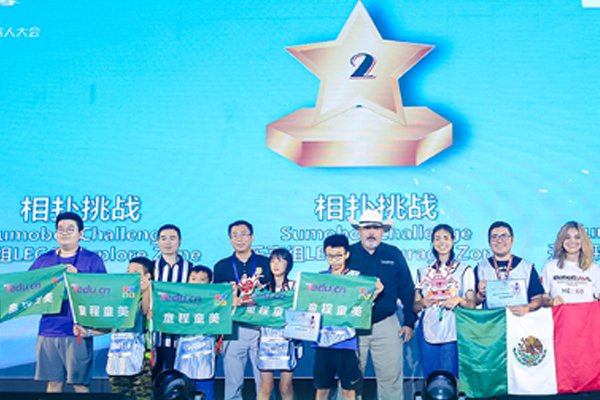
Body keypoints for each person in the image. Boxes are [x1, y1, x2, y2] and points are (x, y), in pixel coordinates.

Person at [28, 212, 107, 393]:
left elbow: (102, 293)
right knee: (53, 384)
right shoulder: (44, 260)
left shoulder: (92, 260)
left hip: (77, 330)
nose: (64, 233)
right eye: (60, 229)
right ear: (56, 233)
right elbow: (29, 288)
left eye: (70, 229)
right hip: (49, 330)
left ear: (81, 234)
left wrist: (78, 278)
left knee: (80, 384)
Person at [346, 209, 416, 400]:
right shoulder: (348, 254)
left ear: (383, 231)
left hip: (386, 324)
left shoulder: (393, 254)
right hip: (353, 326)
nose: (372, 232)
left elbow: (407, 290)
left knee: (391, 381)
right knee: (349, 382)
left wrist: (409, 322)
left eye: (376, 228)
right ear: (359, 230)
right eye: (367, 228)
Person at [74, 257, 154, 400]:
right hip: (117, 357)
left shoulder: (151, 297)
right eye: (128, 271)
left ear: (147, 276)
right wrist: (88, 332)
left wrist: (147, 289)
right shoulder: (120, 299)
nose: (129, 274)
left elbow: (145, 311)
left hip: (139, 358)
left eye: (135, 271)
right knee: (119, 396)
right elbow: (111, 327)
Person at [315, 234, 379, 400]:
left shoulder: (355, 277)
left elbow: (377, 287)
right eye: (330, 256)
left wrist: (369, 296)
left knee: (349, 389)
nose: (334, 260)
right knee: (322, 388)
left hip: (346, 342)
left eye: (338, 256)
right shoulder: (319, 278)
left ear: (347, 254)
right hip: (323, 342)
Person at [213, 220, 271, 400]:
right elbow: (216, 299)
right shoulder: (221, 266)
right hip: (233, 328)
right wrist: (230, 300)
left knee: (264, 381)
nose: (239, 239)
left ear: (252, 237)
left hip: (261, 327)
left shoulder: (267, 263)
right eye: (234, 235)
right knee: (233, 381)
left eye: (243, 234)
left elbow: (276, 293)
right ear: (230, 240)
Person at [413, 224, 475, 378]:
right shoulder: (423, 272)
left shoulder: (464, 271)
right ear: (432, 242)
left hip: (453, 329)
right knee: (430, 376)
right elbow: (414, 306)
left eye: (446, 238)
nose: (442, 242)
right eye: (437, 238)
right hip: (428, 328)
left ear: (453, 241)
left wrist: (459, 299)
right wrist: (423, 302)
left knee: (450, 376)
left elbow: (471, 305)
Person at [475, 221, 543, 315]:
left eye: (504, 236)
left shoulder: (527, 267)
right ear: (489, 242)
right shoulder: (480, 268)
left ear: (512, 239)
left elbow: (538, 298)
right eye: (494, 237)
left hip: (519, 321)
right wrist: (480, 294)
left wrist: (527, 308)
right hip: (492, 321)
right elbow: (472, 302)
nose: (499, 240)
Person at [152, 224, 192, 378]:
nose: (167, 242)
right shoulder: (150, 268)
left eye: (172, 238)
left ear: (180, 241)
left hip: (181, 334)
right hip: (154, 335)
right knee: (154, 379)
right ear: (158, 242)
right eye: (163, 238)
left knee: (179, 379)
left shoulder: (190, 269)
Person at [258, 248, 296, 400]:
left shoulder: (295, 287)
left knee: (285, 386)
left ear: (288, 264)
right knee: (266, 386)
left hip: (287, 340)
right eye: (273, 261)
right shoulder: (262, 288)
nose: (276, 265)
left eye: (280, 261)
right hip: (266, 340)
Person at [541, 221, 600, 306]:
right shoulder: (550, 267)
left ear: (583, 241)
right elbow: (543, 298)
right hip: (559, 314)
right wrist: (552, 302)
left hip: (586, 314)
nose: (572, 241)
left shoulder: (594, 269)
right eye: (567, 237)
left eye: (577, 237)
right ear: (561, 240)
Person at [184, 265, 217, 400]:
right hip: (185, 352)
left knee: (206, 387)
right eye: (193, 279)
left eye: (202, 279)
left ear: (210, 283)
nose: (197, 282)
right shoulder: (179, 302)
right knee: (185, 388)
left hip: (205, 351)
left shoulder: (215, 302)